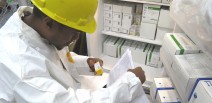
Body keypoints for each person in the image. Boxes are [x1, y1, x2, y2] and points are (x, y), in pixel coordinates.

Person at [0, 0, 148, 102]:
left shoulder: (34, 24)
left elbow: (50, 57)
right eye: (75, 32)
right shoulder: (21, 68)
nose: (76, 37)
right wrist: (130, 83)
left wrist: (84, 63)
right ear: (49, 23)